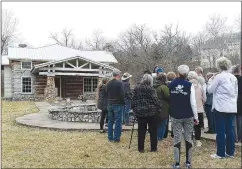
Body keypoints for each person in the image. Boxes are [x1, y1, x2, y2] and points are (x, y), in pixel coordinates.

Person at [207, 57, 238, 159]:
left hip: (220, 107)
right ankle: (230, 152)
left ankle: (220, 153)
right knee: (230, 130)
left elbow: (210, 90)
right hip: (231, 106)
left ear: (218, 66)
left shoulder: (219, 77)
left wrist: (210, 81)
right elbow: (235, 93)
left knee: (220, 131)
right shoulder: (233, 77)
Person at [169, 65, 198, 169]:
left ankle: (177, 164)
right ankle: (188, 163)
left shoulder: (171, 84)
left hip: (176, 115)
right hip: (188, 115)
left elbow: (170, 101)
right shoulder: (189, 85)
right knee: (188, 138)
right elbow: (193, 103)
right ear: (187, 74)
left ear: (178, 72)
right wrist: (196, 117)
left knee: (177, 138)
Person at [132, 74, 162, 153]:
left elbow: (133, 100)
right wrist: (159, 107)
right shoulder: (151, 89)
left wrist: (134, 109)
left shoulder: (136, 88)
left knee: (141, 131)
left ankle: (141, 148)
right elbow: (155, 100)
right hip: (151, 113)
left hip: (140, 113)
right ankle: (153, 148)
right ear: (150, 81)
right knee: (153, 131)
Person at [188, 71, 206, 147]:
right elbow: (204, 98)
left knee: (189, 126)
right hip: (199, 108)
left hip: (189, 109)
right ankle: (198, 141)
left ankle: (190, 140)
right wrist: (202, 103)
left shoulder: (187, 85)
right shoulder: (200, 85)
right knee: (197, 126)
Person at [106, 70, 125, 142]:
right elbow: (122, 95)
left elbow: (106, 93)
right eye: (120, 74)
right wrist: (123, 103)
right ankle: (116, 138)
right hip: (118, 104)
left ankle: (110, 138)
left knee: (110, 121)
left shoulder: (108, 83)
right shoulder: (119, 83)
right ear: (117, 75)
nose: (120, 75)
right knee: (118, 122)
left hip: (110, 104)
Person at [154, 74, 170, 141]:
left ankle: (155, 137)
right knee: (163, 123)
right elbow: (168, 96)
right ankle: (160, 138)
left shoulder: (153, 86)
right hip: (163, 107)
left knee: (156, 123)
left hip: (154, 106)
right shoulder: (163, 87)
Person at [164, 72, 177, 138]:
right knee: (173, 120)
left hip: (166, 104)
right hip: (173, 104)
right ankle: (173, 133)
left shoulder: (165, 84)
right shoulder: (175, 84)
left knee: (165, 119)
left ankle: (165, 133)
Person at [231, 65, 242, 143]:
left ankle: (235, 138)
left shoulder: (231, 79)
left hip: (233, 100)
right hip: (240, 100)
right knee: (240, 120)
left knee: (233, 121)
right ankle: (240, 137)